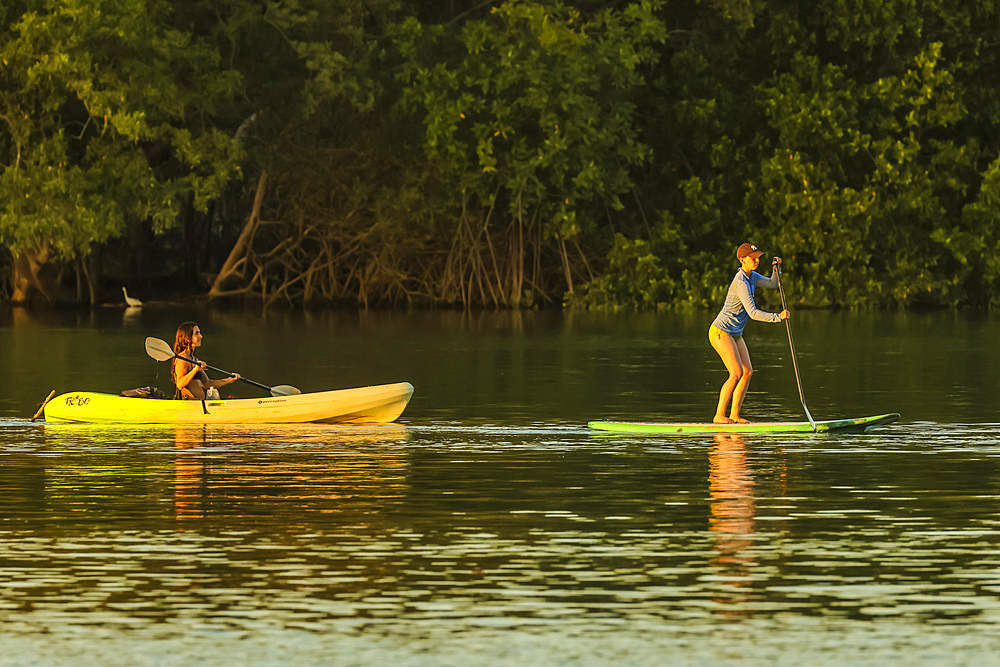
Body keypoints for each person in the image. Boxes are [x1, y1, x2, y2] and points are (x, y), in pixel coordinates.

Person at [709, 243, 789, 424]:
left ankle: (734, 415)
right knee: (736, 372)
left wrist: (776, 269)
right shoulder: (740, 281)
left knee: (747, 371)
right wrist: (778, 317)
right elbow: (753, 313)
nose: (757, 260)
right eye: (753, 258)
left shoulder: (752, 277)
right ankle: (719, 415)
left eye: (758, 257)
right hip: (721, 331)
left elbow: (772, 283)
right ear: (742, 259)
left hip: (735, 333)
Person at [170, 322, 241, 400]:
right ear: (187, 339)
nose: (201, 336)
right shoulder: (182, 359)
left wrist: (228, 380)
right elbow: (179, 384)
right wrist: (195, 369)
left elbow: (208, 384)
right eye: (196, 333)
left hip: (199, 404)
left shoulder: (194, 359)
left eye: (200, 333)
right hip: (187, 404)